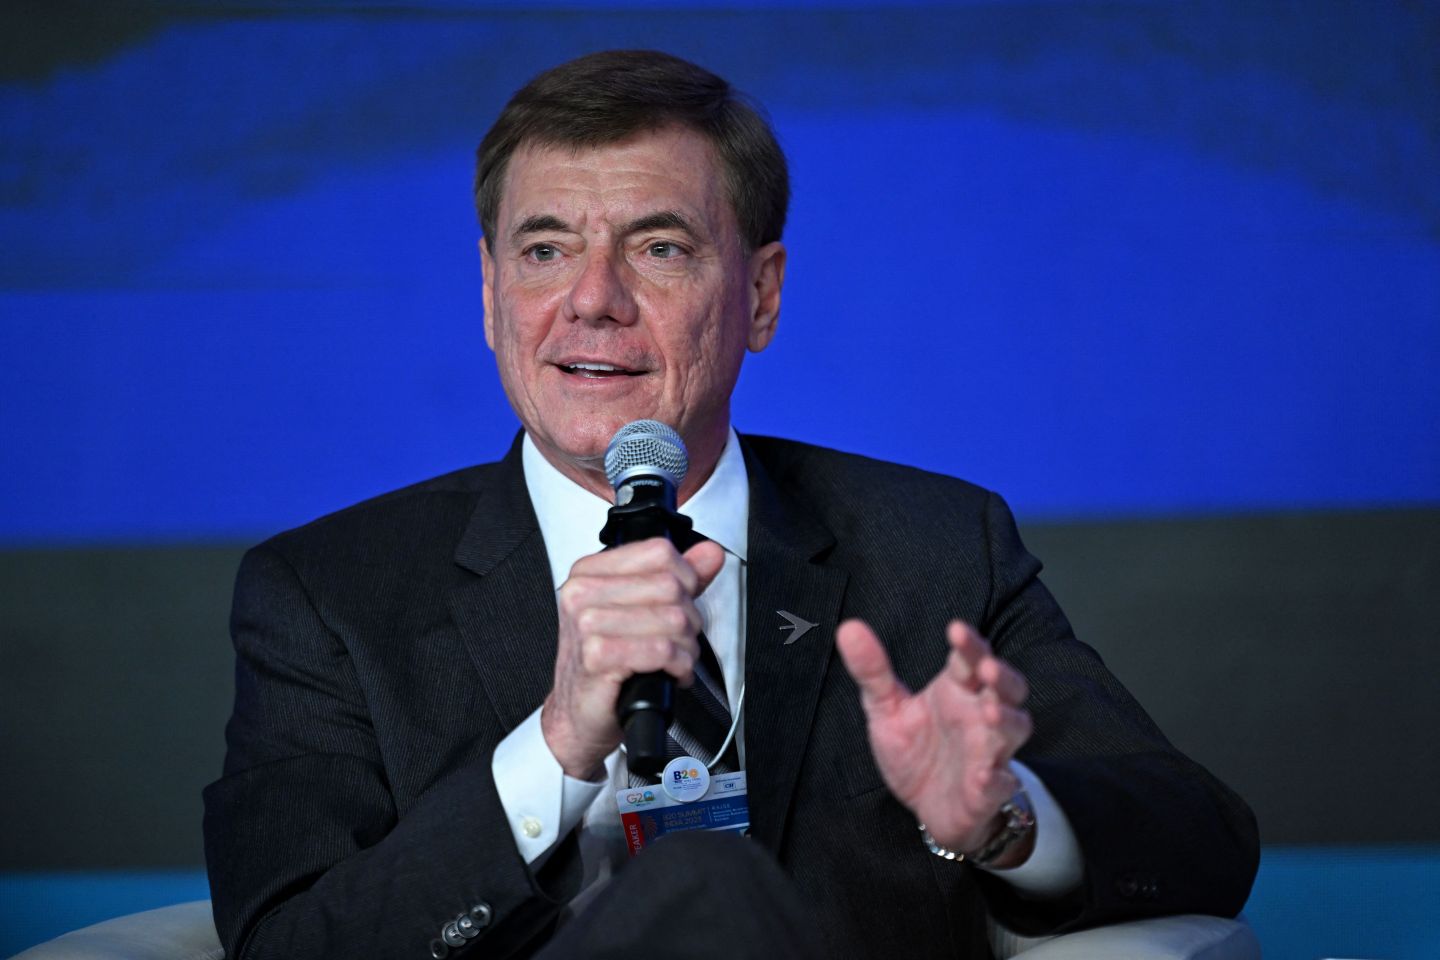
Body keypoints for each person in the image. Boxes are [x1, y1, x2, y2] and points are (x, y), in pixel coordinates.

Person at [203, 49, 1258, 960]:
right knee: (699, 891)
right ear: (489, 296)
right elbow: (289, 944)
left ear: (760, 295)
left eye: (659, 248)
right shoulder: (327, 596)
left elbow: (1205, 838)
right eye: (545, 250)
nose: (593, 299)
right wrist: (557, 745)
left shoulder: (936, 549)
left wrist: (1001, 819)